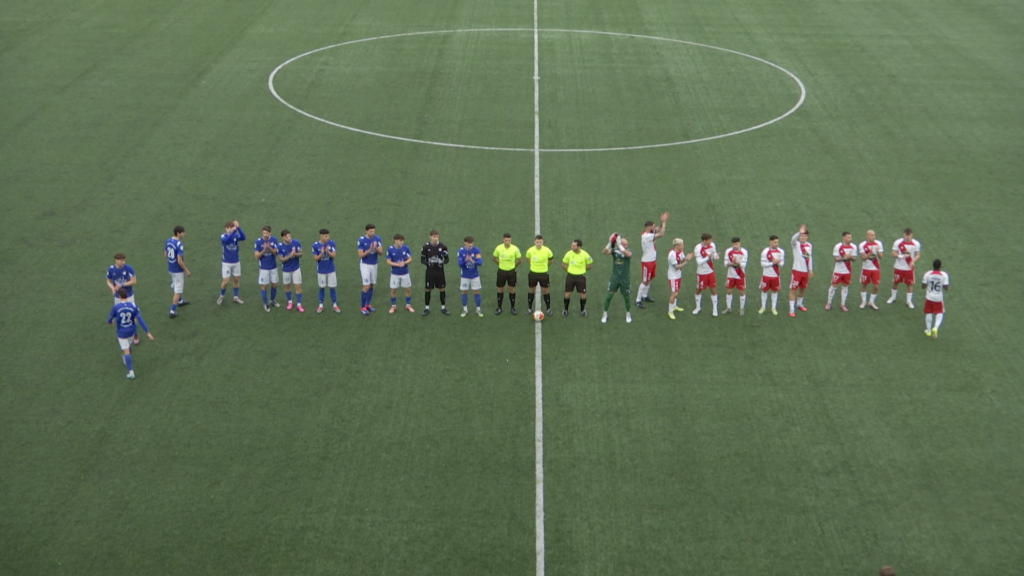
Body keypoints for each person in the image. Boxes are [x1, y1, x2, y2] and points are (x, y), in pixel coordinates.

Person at [108, 288, 153, 379]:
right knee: (128, 347)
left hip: (122, 332)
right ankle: (127, 356)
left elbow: (109, 320)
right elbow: (140, 320)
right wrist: (148, 332)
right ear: (127, 295)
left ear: (119, 296)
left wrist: (111, 322)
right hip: (132, 331)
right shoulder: (133, 306)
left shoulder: (116, 307)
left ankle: (131, 372)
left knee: (126, 351)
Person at [635, 212, 669, 307]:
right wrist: (664, 223)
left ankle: (645, 296)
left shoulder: (649, 233)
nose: (655, 228)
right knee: (645, 281)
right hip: (647, 262)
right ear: (650, 227)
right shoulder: (646, 236)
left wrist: (663, 222)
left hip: (652, 260)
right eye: (653, 227)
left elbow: (659, 228)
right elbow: (661, 234)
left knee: (649, 279)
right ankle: (638, 300)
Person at [107, 253, 140, 344]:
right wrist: (112, 288)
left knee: (133, 316)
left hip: (129, 296)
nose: (123, 262)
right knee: (119, 315)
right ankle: (121, 334)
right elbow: (108, 281)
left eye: (124, 260)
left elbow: (134, 281)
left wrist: (121, 285)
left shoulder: (129, 268)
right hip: (118, 297)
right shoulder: (111, 269)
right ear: (116, 260)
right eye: (121, 261)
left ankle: (135, 334)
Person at [601, 233, 633, 323]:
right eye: (625, 244)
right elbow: (604, 252)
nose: (626, 246)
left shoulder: (628, 251)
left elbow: (628, 255)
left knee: (626, 297)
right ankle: (605, 314)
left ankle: (628, 314)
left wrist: (620, 245)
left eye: (627, 244)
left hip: (625, 279)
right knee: (609, 296)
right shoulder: (615, 251)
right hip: (615, 278)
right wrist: (610, 243)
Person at [887, 227, 922, 308]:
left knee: (909, 284)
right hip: (898, 267)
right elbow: (893, 253)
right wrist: (901, 256)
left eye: (909, 236)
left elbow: (918, 255)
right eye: (906, 236)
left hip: (909, 268)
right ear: (904, 235)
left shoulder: (916, 243)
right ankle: (893, 297)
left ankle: (909, 301)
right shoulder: (898, 242)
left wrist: (913, 261)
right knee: (895, 282)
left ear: (912, 235)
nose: (907, 238)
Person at [826, 231, 859, 312]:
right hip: (838, 271)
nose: (850, 239)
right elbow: (836, 259)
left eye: (850, 237)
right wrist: (845, 258)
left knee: (845, 287)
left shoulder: (854, 247)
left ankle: (843, 304)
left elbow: (854, 259)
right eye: (848, 237)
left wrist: (850, 257)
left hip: (847, 271)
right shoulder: (838, 246)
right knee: (834, 286)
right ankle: (829, 303)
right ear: (844, 238)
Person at [420, 229, 450, 316]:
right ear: (430, 237)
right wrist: (428, 263)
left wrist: (442, 262)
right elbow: (422, 260)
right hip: (430, 272)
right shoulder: (426, 247)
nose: (435, 238)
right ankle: (427, 308)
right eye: (434, 237)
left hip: (440, 272)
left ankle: (443, 307)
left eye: (437, 236)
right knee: (428, 289)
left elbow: (447, 259)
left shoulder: (443, 246)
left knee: (442, 288)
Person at [561, 239, 593, 317]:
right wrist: (570, 270)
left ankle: (582, 310)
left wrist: (582, 271)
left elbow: (590, 265)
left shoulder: (585, 255)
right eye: (572, 245)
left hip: (581, 277)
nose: (572, 247)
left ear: (579, 247)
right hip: (570, 277)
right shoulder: (568, 254)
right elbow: (563, 264)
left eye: (574, 246)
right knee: (567, 294)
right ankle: (565, 310)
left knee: (583, 295)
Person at [357, 224, 384, 314]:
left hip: (374, 264)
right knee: (366, 286)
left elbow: (381, 253)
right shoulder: (361, 240)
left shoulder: (377, 239)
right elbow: (360, 255)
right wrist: (369, 250)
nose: (372, 233)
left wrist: (375, 248)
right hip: (365, 265)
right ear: (366, 231)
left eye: (373, 231)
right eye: (370, 231)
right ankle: (363, 307)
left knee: (372, 284)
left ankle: (368, 304)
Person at [525, 235, 555, 315]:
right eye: (537, 242)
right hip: (533, 273)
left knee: (545, 291)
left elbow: (551, 260)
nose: (539, 244)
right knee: (531, 290)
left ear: (543, 242)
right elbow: (527, 259)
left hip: (543, 274)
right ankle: (529, 308)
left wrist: (544, 266)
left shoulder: (547, 250)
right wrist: (534, 265)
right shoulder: (530, 250)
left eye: (540, 242)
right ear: (534, 242)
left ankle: (548, 309)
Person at [493, 233, 522, 315]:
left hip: (511, 272)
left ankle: (513, 307)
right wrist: (500, 264)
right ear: (503, 240)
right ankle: (499, 307)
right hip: (501, 272)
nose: (507, 242)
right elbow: (494, 258)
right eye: (506, 240)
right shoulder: (499, 248)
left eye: (509, 240)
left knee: (511, 289)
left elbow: (519, 260)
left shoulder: (515, 249)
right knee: (500, 289)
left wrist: (514, 266)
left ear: (511, 240)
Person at [217, 220, 245, 306]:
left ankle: (235, 297)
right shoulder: (223, 236)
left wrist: (238, 228)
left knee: (236, 279)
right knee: (226, 281)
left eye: (231, 228)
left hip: (236, 262)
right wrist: (234, 231)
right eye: (227, 228)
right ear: (225, 229)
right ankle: (221, 296)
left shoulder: (235, 235)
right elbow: (227, 240)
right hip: (226, 263)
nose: (229, 229)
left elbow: (243, 237)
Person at [313, 228, 340, 314]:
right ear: (321, 236)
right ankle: (321, 305)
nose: (327, 238)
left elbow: (334, 256)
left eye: (328, 236)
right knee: (322, 287)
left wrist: (328, 251)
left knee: (332, 287)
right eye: (325, 236)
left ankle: (335, 305)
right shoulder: (315, 245)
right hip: (321, 271)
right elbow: (315, 259)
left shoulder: (332, 243)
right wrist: (321, 253)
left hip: (331, 270)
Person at [788, 225, 813, 317]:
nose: (803, 237)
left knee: (802, 288)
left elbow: (809, 258)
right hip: (797, 271)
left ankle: (799, 304)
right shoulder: (796, 245)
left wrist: (810, 269)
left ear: (807, 237)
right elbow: (792, 239)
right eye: (802, 236)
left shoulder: (809, 245)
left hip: (805, 272)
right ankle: (791, 309)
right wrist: (799, 232)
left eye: (805, 236)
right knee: (793, 289)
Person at [166, 225, 190, 318]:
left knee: (175, 284)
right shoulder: (179, 245)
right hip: (178, 271)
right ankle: (172, 311)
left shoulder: (168, 241)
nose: (184, 234)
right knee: (178, 290)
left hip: (171, 268)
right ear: (179, 233)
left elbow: (165, 255)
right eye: (183, 232)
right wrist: (186, 271)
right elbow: (180, 261)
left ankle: (180, 301)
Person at [386, 234, 415, 313]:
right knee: (393, 290)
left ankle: (408, 305)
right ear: (395, 240)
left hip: (405, 273)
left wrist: (404, 263)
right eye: (400, 241)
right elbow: (388, 261)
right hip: (395, 273)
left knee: (408, 289)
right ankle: (393, 306)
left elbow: (410, 259)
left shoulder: (406, 248)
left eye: (402, 241)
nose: (402, 242)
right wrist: (397, 264)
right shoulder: (390, 249)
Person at [692, 233, 719, 316]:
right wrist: (708, 257)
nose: (711, 241)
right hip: (701, 273)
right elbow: (699, 262)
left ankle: (715, 309)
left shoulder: (712, 245)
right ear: (705, 240)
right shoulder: (698, 248)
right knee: (698, 289)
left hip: (710, 271)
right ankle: (698, 307)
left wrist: (716, 256)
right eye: (710, 240)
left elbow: (714, 254)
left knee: (713, 289)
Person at [254, 226, 280, 312]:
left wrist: (269, 248)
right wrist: (264, 249)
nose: (265, 235)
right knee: (264, 286)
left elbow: (276, 253)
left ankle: (272, 300)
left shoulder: (274, 240)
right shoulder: (258, 242)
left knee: (275, 285)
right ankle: (266, 304)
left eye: (267, 233)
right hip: (264, 268)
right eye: (264, 233)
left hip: (273, 266)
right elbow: (256, 256)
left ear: (270, 233)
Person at [922, 259, 950, 339]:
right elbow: (946, 288)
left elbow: (923, 286)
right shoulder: (944, 275)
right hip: (938, 297)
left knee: (928, 312)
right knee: (940, 312)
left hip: (929, 296)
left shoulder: (927, 274)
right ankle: (936, 327)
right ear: (940, 266)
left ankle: (928, 330)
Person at [457, 236, 484, 317]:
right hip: (465, 276)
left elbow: (480, 262)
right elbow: (460, 264)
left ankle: (478, 309)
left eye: (471, 243)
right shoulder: (461, 251)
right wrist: (466, 260)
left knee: (477, 291)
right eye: (468, 243)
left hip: (475, 275)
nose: (470, 244)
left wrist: (472, 260)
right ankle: (465, 309)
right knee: (464, 291)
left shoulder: (476, 250)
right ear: (465, 243)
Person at [665, 238, 691, 320]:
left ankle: (674, 306)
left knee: (677, 291)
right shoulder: (672, 255)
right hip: (673, 276)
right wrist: (687, 261)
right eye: (682, 244)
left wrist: (685, 258)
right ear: (677, 245)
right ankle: (670, 311)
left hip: (678, 275)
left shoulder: (680, 251)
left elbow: (681, 261)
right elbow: (676, 267)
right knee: (674, 294)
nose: (683, 246)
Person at [758, 235, 785, 315]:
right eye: (775, 242)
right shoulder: (765, 252)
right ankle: (763, 307)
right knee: (764, 290)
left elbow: (782, 263)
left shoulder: (781, 251)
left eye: (777, 242)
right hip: (766, 275)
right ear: (770, 242)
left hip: (775, 276)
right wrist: (773, 263)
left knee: (775, 291)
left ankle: (773, 308)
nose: (776, 244)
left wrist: (778, 263)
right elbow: (762, 264)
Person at [278, 229, 304, 312]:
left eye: (289, 236)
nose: (288, 238)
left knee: (298, 286)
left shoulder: (296, 242)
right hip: (286, 269)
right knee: (287, 286)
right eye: (286, 237)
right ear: (283, 238)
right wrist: (290, 255)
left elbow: (301, 254)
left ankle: (299, 304)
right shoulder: (280, 246)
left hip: (296, 268)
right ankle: (290, 302)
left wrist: (295, 254)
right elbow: (282, 260)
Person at [858, 229, 885, 309]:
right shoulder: (862, 245)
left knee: (876, 286)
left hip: (876, 269)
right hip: (866, 268)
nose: (874, 236)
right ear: (867, 236)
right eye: (872, 235)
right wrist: (870, 253)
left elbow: (881, 257)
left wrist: (877, 251)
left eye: (874, 235)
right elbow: (863, 258)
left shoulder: (878, 243)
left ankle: (871, 302)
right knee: (864, 285)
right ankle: (864, 301)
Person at [723, 237, 749, 315]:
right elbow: (725, 263)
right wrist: (731, 263)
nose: (735, 246)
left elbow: (744, 265)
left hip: (740, 275)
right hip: (730, 275)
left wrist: (737, 262)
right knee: (729, 291)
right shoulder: (728, 251)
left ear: (739, 243)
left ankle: (741, 308)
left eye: (736, 244)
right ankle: (728, 308)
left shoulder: (744, 252)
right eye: (734, 244)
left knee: (742, 292)